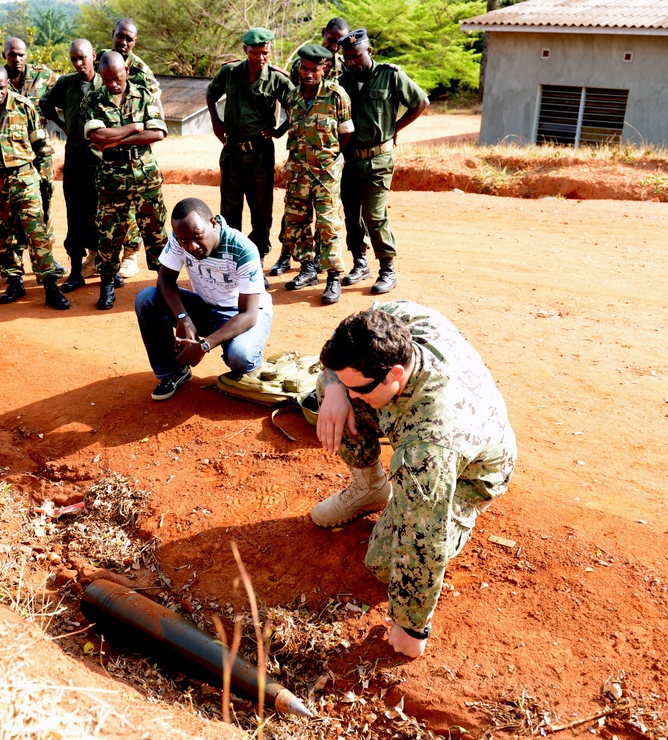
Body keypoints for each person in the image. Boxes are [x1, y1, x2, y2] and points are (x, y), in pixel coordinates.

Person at [312, 301, 517, 658]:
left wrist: (411, 626)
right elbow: (343, 351)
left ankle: (461, 515)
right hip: (438, 430)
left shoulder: (427, 448)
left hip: (474, 472)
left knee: (383, 564)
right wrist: (334, 388)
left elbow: (425, 538)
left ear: (394, 373)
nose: (353, 395)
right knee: (328, 381)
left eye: (360, 388)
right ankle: (370, 488)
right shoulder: (395, 322)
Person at [134, 198, 273, 402]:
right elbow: (164, 279)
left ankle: (251, 365)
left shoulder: (243, 249)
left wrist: (203, 346)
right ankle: (173, 372)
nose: (191, 246)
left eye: (197, 236)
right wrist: (183, 318)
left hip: (240, 314)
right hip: (205, 308)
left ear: (213, 223)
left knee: (240, 357)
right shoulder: (179, 238)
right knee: (147, 299)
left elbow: (249, 315)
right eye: (184, 240)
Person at [0, 64, 69, 310]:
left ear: (7, 84)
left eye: (1, 87)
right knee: (0, 239)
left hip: (24, 181)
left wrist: (45, 181)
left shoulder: (24, 107)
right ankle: (14, 281)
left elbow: (41, 148)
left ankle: (50, 287)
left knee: (37, 234)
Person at [338, 29, 429, 294]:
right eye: (348, 57)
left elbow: (421, 102)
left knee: (374, 213)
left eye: (356, 55)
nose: (352, 61)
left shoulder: (390, 75)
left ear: (369, 51)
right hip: (351, 160)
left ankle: (387, 270)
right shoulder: (344, 80)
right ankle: (360, 262)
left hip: (379, 159)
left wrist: (395, 128)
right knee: (352, 214)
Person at [83, 51, 168, 310]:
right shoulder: (93, 98)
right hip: (112, 178)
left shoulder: (143, 94)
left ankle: (166, 286)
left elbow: (158, 133)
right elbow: (98, 137)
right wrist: (134, 127)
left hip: (146, 176)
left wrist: (116, 140)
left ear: (126, 72)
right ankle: (107, 284)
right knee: (109, 234)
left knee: (156, 231)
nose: (112, 84)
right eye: (106, 79)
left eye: (117, 78)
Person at [206, 28, 293, 264]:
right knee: (230, 208)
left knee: (260, 209)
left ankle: (257, 257)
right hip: (232, 151)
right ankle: (232, 256)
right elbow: (211, 93)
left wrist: (279, 131)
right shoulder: (230, 72)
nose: (260, 58)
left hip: (260, 154)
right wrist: (216, 121)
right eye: (255, 52)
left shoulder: (277, 79)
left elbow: (296, 107)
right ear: (245, 50)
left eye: (265, 52)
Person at [273, 16, 350, 278]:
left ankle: (332, 277)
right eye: (304, 69)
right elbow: (293, 124)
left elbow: (345, 134)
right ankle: (303, 266)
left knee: (328, 225)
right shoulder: (293, 96)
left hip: (326, 172)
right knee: (296, 220)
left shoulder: (337, 92)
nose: (307, 74)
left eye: (313, 70)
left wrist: (330, 158)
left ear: (324, 69)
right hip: (298, 171)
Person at [41, 39, 104, 294]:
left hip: (100, 161)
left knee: (101, 215)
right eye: (74, 59)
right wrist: (63, 125)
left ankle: (106, 270)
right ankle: (76, 271)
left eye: (82, 58)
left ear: (93, 55)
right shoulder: (67, 83)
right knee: (75, 215)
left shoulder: (105, 83)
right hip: (75, 160)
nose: (78, 64)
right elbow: (46, 103)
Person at [3, 37, 61, 276]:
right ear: (4, 55)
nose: (17, 59)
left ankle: (46, 259)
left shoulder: (43, 76)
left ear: (27, 54)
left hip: (40, 155)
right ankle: (16, 262)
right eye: (12, 55)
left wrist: (63, 123)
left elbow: (66, 92)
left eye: (21, 54)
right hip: (12, 158)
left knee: (43, 205)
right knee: (13, 208)